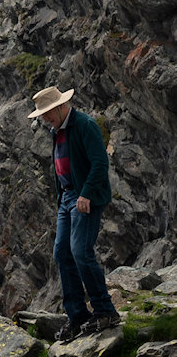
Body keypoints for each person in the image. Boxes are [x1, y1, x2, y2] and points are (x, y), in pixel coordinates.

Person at [30, 86, 119, 340]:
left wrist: (86, 194)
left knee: (80, 252)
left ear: (60, 107)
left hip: (84, 198)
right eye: (42, 114)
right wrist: (64, 197)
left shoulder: (84, 125)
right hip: (68, 198)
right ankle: (77, 316)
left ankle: (105, 311)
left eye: (47, 112)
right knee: (62, 254)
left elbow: (100, 163)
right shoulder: (57, 130)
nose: (44, 118)